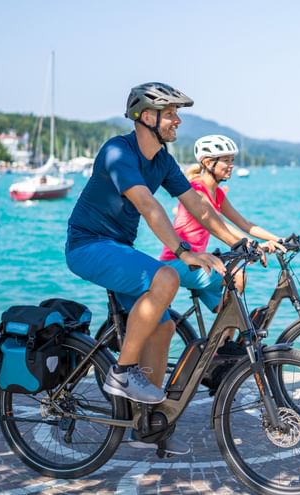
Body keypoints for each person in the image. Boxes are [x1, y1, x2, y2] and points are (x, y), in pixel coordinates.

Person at [65, 83, 245, 455]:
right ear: (148, 117)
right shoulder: (118, 151)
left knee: (162, 326)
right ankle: (122, 371)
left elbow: (199, 206)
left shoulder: (162, 160)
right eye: (171, 114)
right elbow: (148, 206)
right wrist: (183, 251)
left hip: (117, 248)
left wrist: (237, 244)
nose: (178, 120)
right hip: (88, 245)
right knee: (167, 275)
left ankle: (147, 423)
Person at [159, 134, 285, 315]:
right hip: (178, 261)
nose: (231, 165)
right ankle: (227, 341)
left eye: (232, 160)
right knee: (236, 276)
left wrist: (278, 239)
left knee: (232, 312)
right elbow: (220, 225)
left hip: (200, 261)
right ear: (209, 162)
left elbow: (245, 223)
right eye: (226, 160)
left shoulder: (217, 193)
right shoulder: (196, 189)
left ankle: (222, 343)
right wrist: (252, 244)